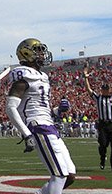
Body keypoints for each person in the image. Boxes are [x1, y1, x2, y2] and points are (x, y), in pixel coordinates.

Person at [6, 38, 76, 194]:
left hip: (49, 125)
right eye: (38, 50)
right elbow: (10, 108)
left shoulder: (42, 76)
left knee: (70, 175)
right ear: (26, 53)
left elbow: (42, 109)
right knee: (59, 175)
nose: (42, 54)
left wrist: (58, 111)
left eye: (42, 50)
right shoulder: (24, 75)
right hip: (38, 126)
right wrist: (26, 134)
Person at [83, 64, 112, 173]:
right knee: (102, 144)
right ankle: (102, 159)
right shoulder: (98, 98)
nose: (105, 90)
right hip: (102, 124)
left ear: (109, 89)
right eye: (104, 88)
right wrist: (86, 77)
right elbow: (89, 90)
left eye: (107, 88)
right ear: (101, 90)